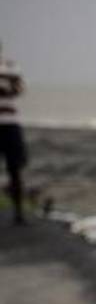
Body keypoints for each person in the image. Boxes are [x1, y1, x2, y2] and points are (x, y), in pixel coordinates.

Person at [0, 40, 29, 226]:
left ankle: (19, 213)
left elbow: (19, 89)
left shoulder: (10, 66)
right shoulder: (9, 70)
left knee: (15, 169)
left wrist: (7, 87)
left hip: (11, 123)